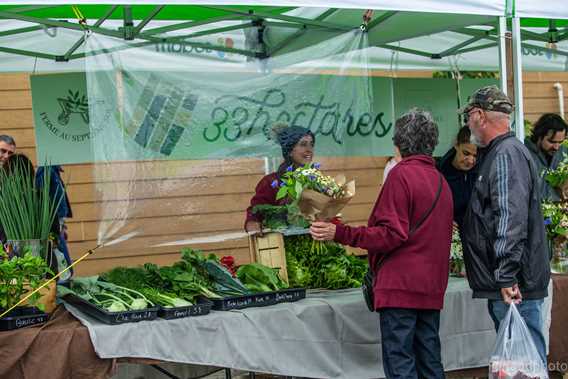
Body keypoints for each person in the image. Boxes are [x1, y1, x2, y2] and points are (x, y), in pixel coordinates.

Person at [310, 109, 453, 379]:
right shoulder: (441, 181)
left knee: (401, 364)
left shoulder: (401, 175)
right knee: (430, 362)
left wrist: (339, 233)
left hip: (400, 287)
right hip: (432, 286)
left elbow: (390, 235)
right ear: (432, 143)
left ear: (398, 144)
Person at [460, 85, 551, 366]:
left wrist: (506, 275)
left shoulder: (505, 155)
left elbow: (509, 219)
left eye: (468, 116)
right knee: (521, 364)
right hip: (517, 280)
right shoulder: (506, 151)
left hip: (516, 283)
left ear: (478, 115)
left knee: (524, 365)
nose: (467, 123)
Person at [244, 124, 315, 233]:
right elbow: (256, 210)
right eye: (303, 145)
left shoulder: (315, 180)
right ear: (290, 151)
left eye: (311, 145)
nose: (309, 150)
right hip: (280, 243)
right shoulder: (271, 182)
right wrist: (252, 222)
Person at [437, 126, 478, 231]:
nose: (470, 160)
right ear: (456, 145)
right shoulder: (438, 174)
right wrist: (442, 219)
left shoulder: (482, 172)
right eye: (466, 153)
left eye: (475, 156)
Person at [524, 113, 567, 201]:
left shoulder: (564, 153)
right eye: (552, 142)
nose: (556, 147)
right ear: (539, 136)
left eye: (560, 142)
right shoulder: (525, 154)